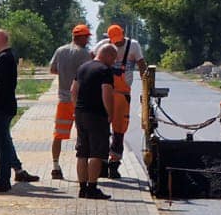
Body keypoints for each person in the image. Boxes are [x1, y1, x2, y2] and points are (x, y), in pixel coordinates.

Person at [0, 29, 39, 193]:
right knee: (3, 144)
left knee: (1, 146)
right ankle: (3, 179)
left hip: (0, 109)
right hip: (4, 108)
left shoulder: (4, 58)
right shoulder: (6, 57)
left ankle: (2, 181)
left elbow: (1, 86)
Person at [96, 24, 146, 179]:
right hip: (104, 92)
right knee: (102, 130)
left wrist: (146, 87)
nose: (117, 44)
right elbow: (92, 59)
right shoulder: (103, 45)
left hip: (123, 95)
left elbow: (142, 65)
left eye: (119, 40)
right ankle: (102, 165)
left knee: (119, 131)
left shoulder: (133, 46)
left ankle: (114, 165)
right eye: (114, 41)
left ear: (123, 34)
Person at [46, 24, 96, 180]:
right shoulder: (84, 54)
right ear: (80, 37)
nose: (88, 40)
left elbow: (52, 69)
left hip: (63, 100)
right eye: (86, 37)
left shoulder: (60, 50)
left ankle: (55, 166)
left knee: (58, 135)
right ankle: (84, 168)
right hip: (80, 101)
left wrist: (64, 73)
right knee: (84, 135)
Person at [72, 42, 119, 200]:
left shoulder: (82, 67)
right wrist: (110, 113)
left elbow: (73, 90)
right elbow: (107, 93)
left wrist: (77, 108)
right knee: (96, 153)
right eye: (113, 58)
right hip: (97, 115)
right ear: (107, 55)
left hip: (80, 113)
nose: (114, 62)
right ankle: (92, 188)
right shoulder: (105, 71)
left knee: (82, 153)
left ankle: (82, 188)